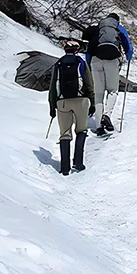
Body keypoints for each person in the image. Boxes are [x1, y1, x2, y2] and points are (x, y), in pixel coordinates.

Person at [49, 40, 94, 176]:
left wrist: (52, 106)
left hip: (62, 102)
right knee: (81, 130)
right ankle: (78, 162)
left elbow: (52, 87)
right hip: (81, 100)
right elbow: (89, 83)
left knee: (65, 133)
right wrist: (92, 101)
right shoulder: (81, 63)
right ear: (76, 50)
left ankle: (64, 167)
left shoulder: (58, 64)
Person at [90, 13, 133, 135]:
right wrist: (128, 57)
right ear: (117, 21)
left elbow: (90, 46)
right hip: (112, 60)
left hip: (95, 60)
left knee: (98, 94)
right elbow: (127, 45)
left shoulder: (99, 27)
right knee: (112, 91)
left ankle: (98, 126)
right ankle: (107, 115)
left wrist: (89, 63)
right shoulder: (118, 28)